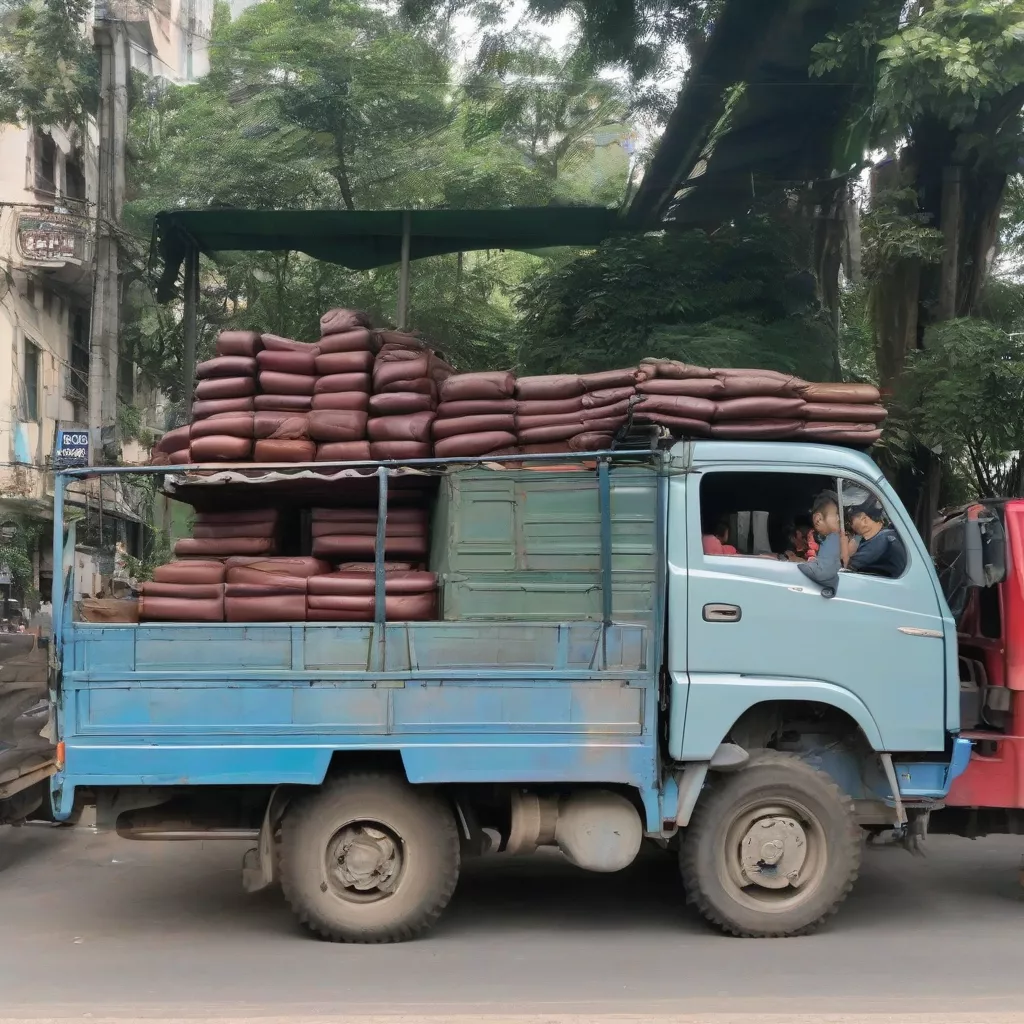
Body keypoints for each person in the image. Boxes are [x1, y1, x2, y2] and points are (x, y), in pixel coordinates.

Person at [845, 497, 906, 577]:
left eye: (850, 522)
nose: (850, 526)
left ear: (864, 520)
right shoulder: (885, 535)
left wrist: (846, 552)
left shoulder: (881, 540)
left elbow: (847, 571)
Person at [797, 491, 842, 597]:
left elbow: (822, 573)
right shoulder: (828, 538)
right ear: (818, 519)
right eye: (837, 515)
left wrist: (799, 564)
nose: (839, 519)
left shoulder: (833, 538)